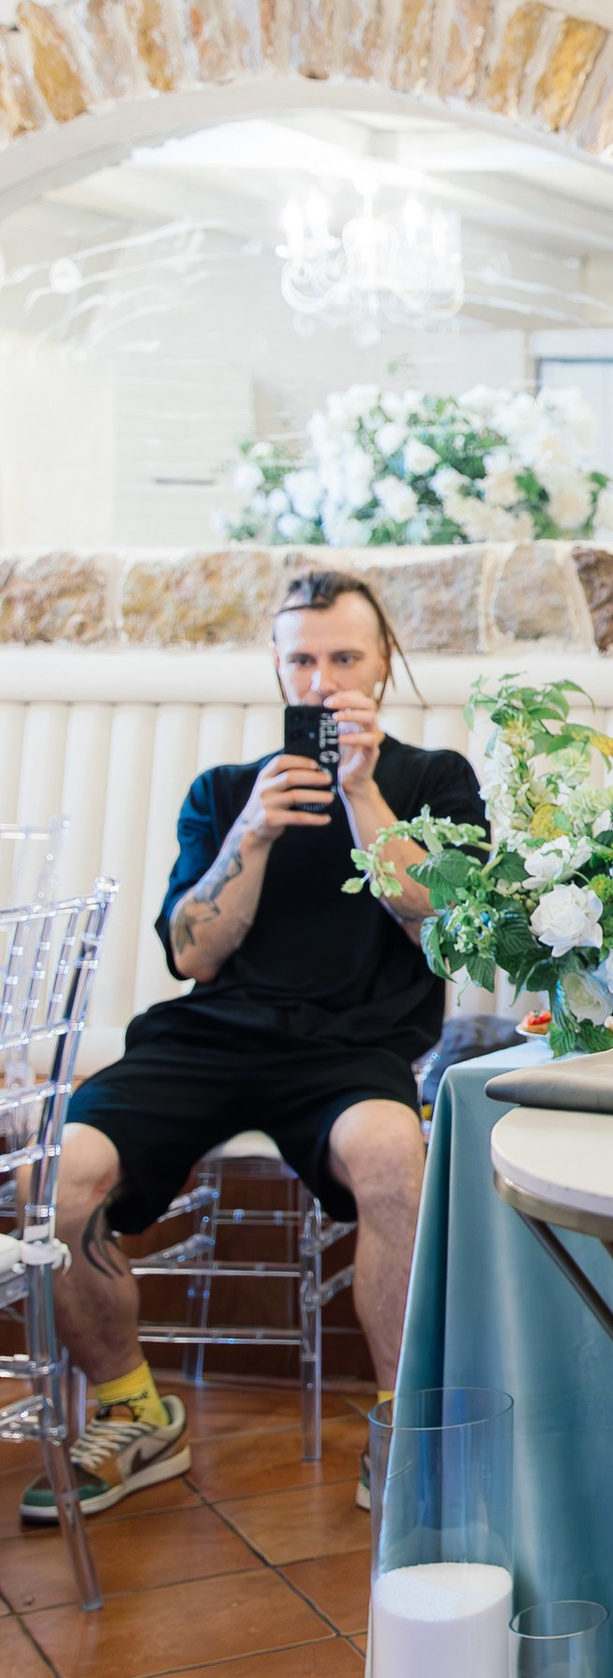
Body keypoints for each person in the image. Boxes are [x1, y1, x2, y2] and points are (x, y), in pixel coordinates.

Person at [22, 571, 487, 1529]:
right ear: (277, 669)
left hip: (353, 1050)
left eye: (344, 659)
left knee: (398, 1159)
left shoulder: (436, 783)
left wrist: (360, 793)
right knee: (57, 1175)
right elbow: (193, 954)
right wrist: (252, 832)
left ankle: (404, 1427)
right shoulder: (228, 792)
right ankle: (132, 1410)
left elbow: (443, 923)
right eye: (303, 661)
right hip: (213, 1037)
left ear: (384, 666)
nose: (322, 683)